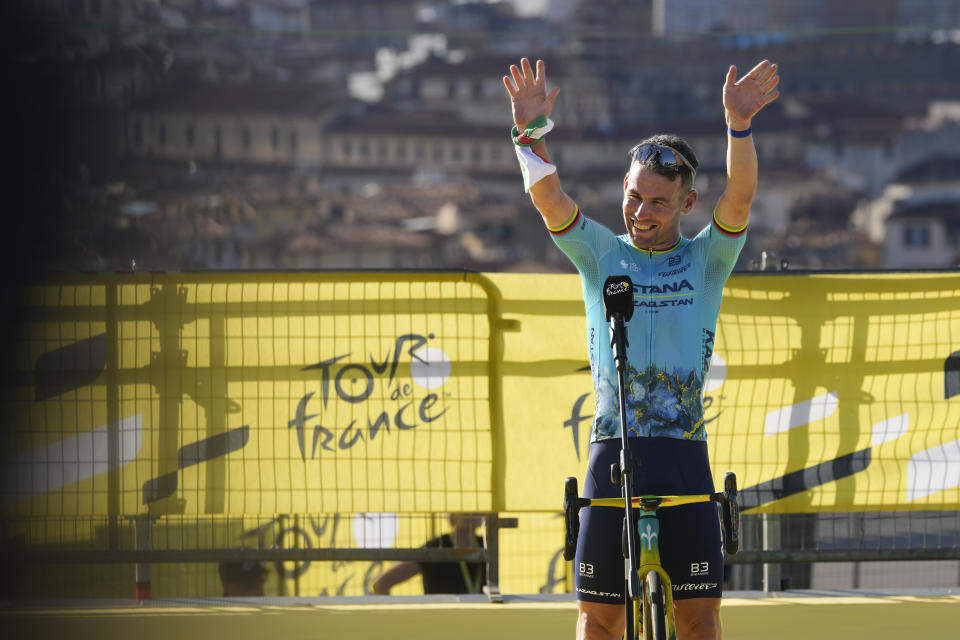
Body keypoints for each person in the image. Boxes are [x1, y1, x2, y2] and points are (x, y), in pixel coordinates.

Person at [502, 58, 779, 640]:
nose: (640, 212)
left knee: (699, 619)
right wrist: (529, 134)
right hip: (612, 452)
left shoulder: (707, 260)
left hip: (682, 454)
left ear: (687, 202)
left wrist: (739, 125)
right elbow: (550, 200)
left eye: (657, 201)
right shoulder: (602, 253)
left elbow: (742, 196)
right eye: (633, 196)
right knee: (596, 620)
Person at [372, 513, 486, 595]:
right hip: (441, 624)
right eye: (466, 507)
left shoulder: (486, 546)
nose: (472, 512)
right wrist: (396, 621)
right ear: (453, 512)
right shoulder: (437, 547)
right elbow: (381, 584)